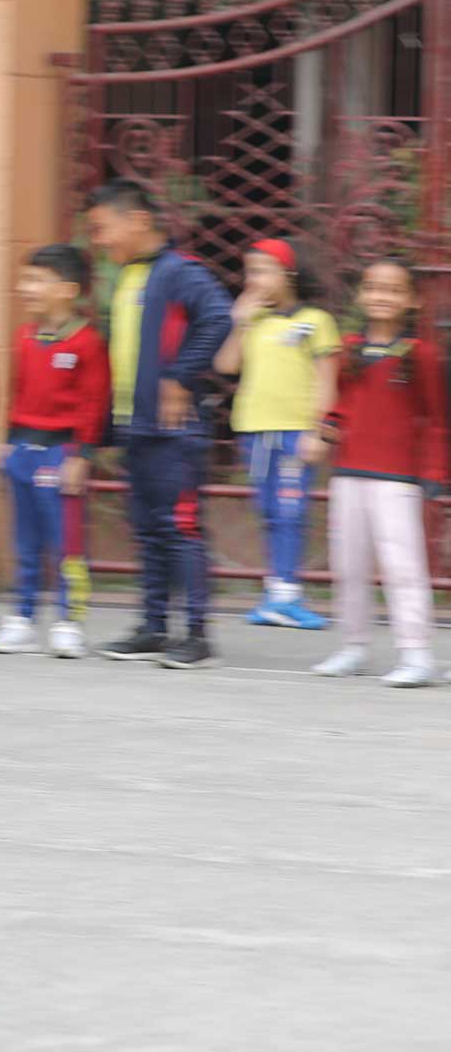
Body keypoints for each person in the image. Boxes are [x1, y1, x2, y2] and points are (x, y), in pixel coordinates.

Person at [83, 179, 232, 669]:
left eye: (102, 228)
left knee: (180, 528)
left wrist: (180, 376)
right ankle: (153, 626)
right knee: (147, 530)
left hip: (175, 430)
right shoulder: (128, 276)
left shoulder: (179, 272)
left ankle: (197, 634)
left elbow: (218, 318)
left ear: (139, 220)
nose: (99, 240)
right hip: (137, 427)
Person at [310, 259, 444, 687]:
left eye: (393, 289)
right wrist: (327, 427)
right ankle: (353, 645)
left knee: (402, 565)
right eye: (373, 288)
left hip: (398, 479)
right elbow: (342, 404)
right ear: (361, 295)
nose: (381, 296)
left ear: (411, 300)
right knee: (348, 564)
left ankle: (416, 653)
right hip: (349, 471)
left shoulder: (420, 354)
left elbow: (436, 419)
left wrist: (434, 472)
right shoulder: (349, 349)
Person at [0, 244, 109, 659]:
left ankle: (68, 622)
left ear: (67, 289)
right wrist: (8, 441)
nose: (26, 288)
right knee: (24, 541)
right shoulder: (25, 337)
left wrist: (81, 455)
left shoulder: (87, 342)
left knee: (66, 544)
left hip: (61, 453)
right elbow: (17, 392)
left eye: (37, 280)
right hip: (23, 449)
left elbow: (93, 404)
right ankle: (22, 619)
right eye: (26, 280)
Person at [215, 237, 338, 630]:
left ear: (289, 273)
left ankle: (288, 596)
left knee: (291, 510)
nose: (255, 279)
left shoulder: (315, 320)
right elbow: (226, 365)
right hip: (254, 430)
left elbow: (327, 381)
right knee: (268, 510)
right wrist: (240, 322)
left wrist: (320, 430)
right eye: (250, 272)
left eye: (264, 270)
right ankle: (275, 595)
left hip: (295, 432)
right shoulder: (254, 321)